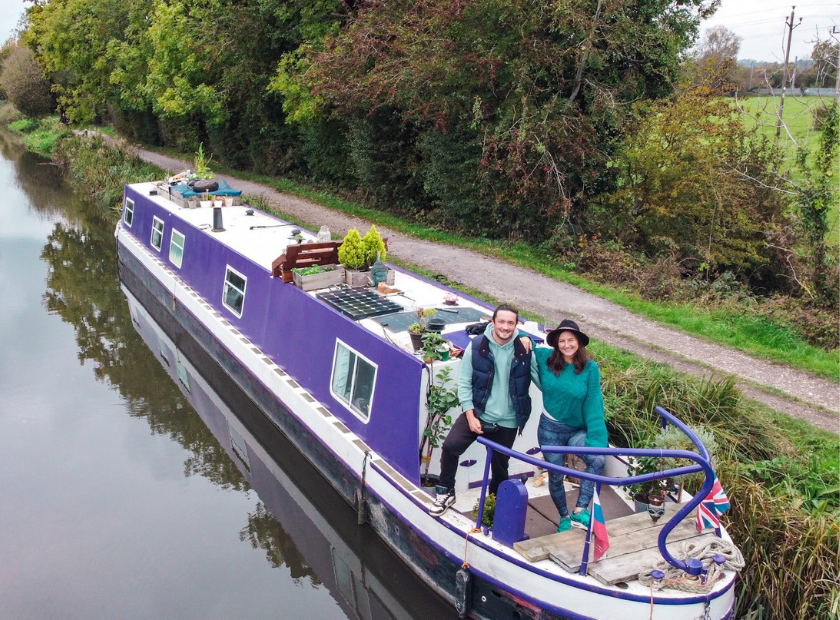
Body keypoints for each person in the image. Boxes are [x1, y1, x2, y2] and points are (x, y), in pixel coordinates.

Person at [430, 304, 533, 517]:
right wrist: (470, 415)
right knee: (450, 447)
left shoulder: (524, 349)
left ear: (516, 326)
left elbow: (544, 378)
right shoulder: (477, 347)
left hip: (508, 421)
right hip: (478, 413)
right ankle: (446, 491)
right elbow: (464, 383)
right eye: (501, 322)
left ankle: (494, 507)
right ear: (493, 322)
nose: (505, 327)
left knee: (500, 467)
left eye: (510, 323)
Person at [532, 319, 607, 532]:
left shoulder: (590, 368)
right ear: (556, 344)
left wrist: (596, 437)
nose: (566, 345)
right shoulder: (545, 358)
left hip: (576, 430)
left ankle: (580, 511)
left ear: (579, 343)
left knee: (598, 460)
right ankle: (564, 517)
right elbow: (524, 343)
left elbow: (593, 402)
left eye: (571, 340)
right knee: (556, 476)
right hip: (550, 431)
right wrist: (524, 338)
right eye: (562, 341)